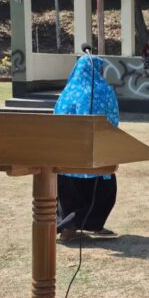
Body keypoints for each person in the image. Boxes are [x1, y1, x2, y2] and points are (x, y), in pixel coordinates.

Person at [54, 50, 120, 242]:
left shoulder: (67, 91)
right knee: (104, 192)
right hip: (96, 153)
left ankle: (69, 227)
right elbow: (113, 119)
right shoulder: (104, 90)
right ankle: (93, 225)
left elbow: (56, 118)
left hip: (67, 155)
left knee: (69, 194)